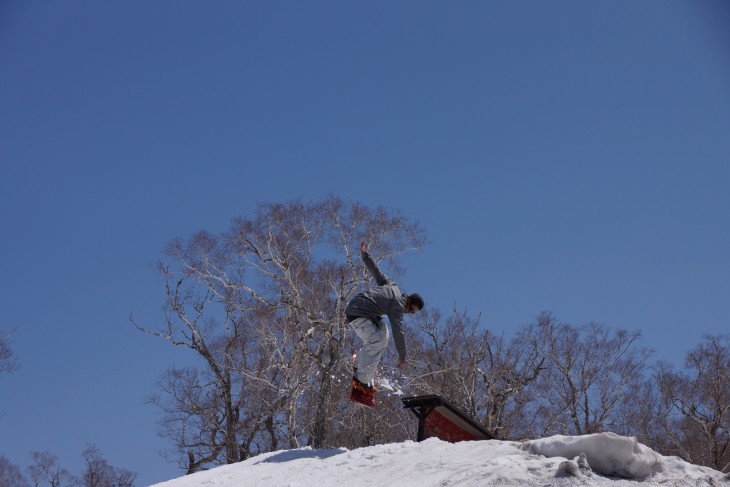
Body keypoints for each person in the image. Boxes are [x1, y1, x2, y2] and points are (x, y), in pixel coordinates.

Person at [345, 241, 425, 404]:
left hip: (362, 310)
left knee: (383, 333)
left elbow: (378, 273)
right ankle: (361, 381)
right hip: (358, 314)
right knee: (380, 339)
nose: (408, 313)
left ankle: (359, 360)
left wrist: (365, 256)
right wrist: (402, 355)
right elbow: (399, 331)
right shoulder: (397, 305)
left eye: (412, 313)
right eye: (411, 310)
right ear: (408, 301)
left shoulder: (393, 287)